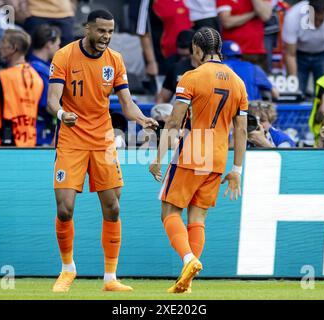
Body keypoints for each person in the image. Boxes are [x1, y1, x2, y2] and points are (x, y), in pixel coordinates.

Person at [47, 9, 158, 293]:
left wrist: (141, 118)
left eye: (110, 31)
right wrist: (62, 115)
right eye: (101, 31)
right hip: (71, 139)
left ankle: (110, 278)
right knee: (65, 207)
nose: (106, 36)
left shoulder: (115, 60)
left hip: (103, 140)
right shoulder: (64, 56)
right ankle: (67, 269)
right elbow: (52, 100)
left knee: (113, 207)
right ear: (87, 28)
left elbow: (126, 103)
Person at [149, 27, 248, 293]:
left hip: (193, 150)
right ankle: (187, 283)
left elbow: (174, 120)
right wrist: (237, 169)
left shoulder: (191, 77)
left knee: (169, 212)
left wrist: (158, 157)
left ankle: (189, 259)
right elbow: (241, 130)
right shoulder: (238, 82)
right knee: (198, 218)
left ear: (196, 48)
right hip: (218, 156)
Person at [0, 29, 43, 146]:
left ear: (14, 48)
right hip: (28, 140)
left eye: (3, 42)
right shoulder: (37, 78)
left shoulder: (5, 76)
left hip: (4, 141)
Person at [282, 0, 324, 95]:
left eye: (321, 20)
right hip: (298, 55)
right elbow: (290, 54)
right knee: (297, 93)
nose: (317, 23)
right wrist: (294, 84)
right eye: (313, 19)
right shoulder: (293, 16)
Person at [28, 24, 61, 145]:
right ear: (49, 44)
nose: (59, 48)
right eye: (57, 44)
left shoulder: (39, 67)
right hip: (40, 135)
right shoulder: (38, 71)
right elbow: (49, 105)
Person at [216, 0, 272, 71]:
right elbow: (227, 22)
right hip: (233, 54)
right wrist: (253, 13)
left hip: (257, 52)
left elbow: (265, 16)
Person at [156, 29, 197, 104]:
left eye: (187, 56)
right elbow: (162, 99)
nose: (183, 59)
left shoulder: (206, 68)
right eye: (181, 56)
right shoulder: (173, 66)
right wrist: (159, 111)